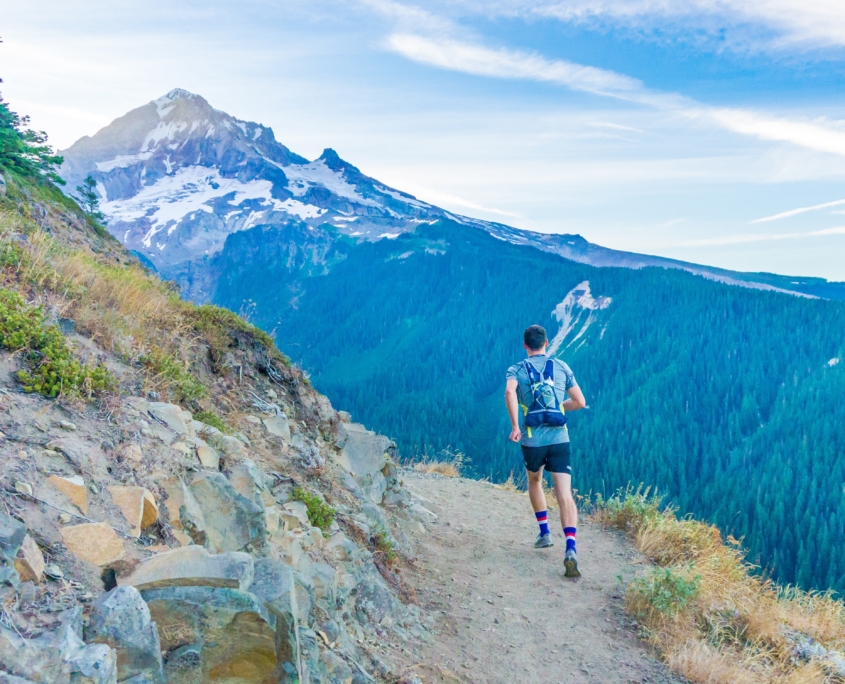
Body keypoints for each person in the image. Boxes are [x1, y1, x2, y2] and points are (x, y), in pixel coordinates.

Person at [505, 324, 587, 578]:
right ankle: (571, 548)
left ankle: (544, 533)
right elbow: (580, 402)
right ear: (547, 343)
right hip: (560, 438)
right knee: (564, 494)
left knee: (535, 480)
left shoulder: (516, 369)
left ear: (525, 345)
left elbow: (509, 391)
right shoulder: (562, 367)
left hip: (532, 440)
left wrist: (516, 426)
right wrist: (558, 408)